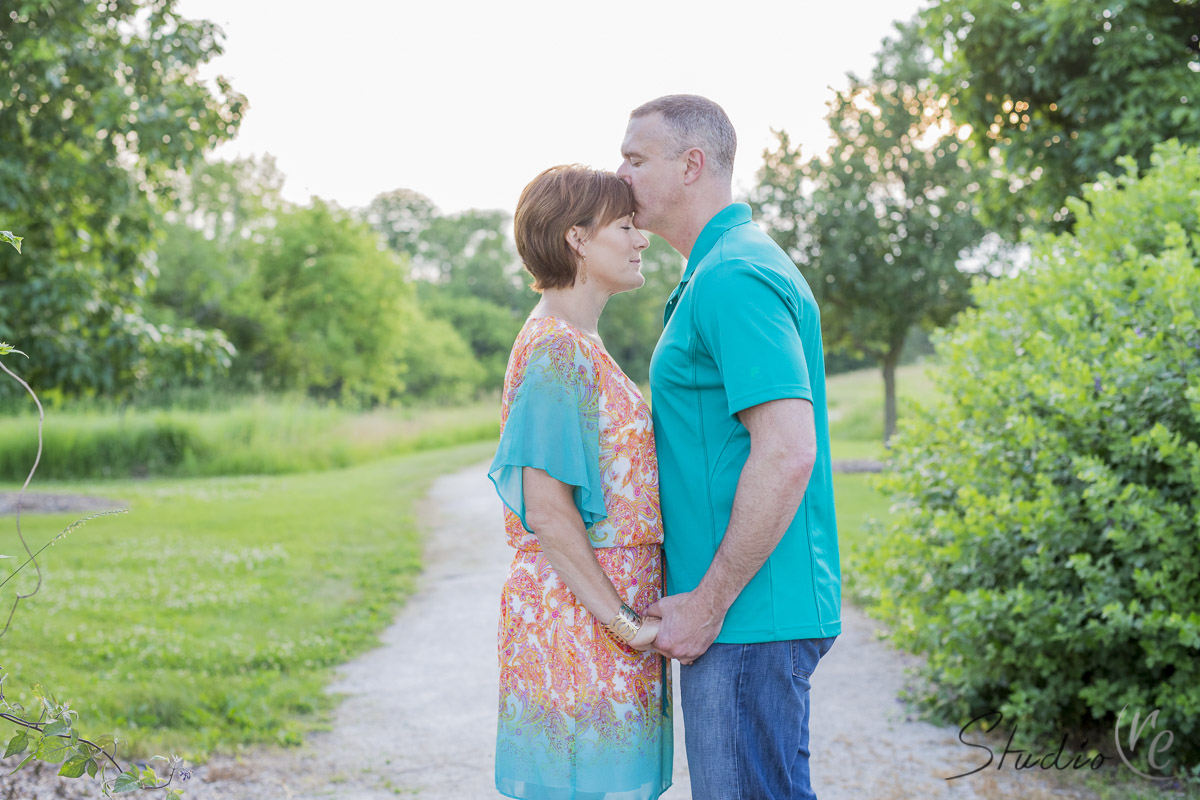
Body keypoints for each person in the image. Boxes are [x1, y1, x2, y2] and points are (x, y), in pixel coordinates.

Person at [617, 95, 842, 800]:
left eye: (634, 158)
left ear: (691, 165)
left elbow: (786, 451)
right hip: (742, 617)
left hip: (745, 618)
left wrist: (708, 604)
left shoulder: (733, 276)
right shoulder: (712, 272)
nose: (618, 173)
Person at [488, 164, 673, 800]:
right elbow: (546, 507)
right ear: (576, 239)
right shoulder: (556, 350)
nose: (640, 238)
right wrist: (625, 623)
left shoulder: (578, 343)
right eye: (624, 225)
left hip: (599, 622)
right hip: (581, 627)